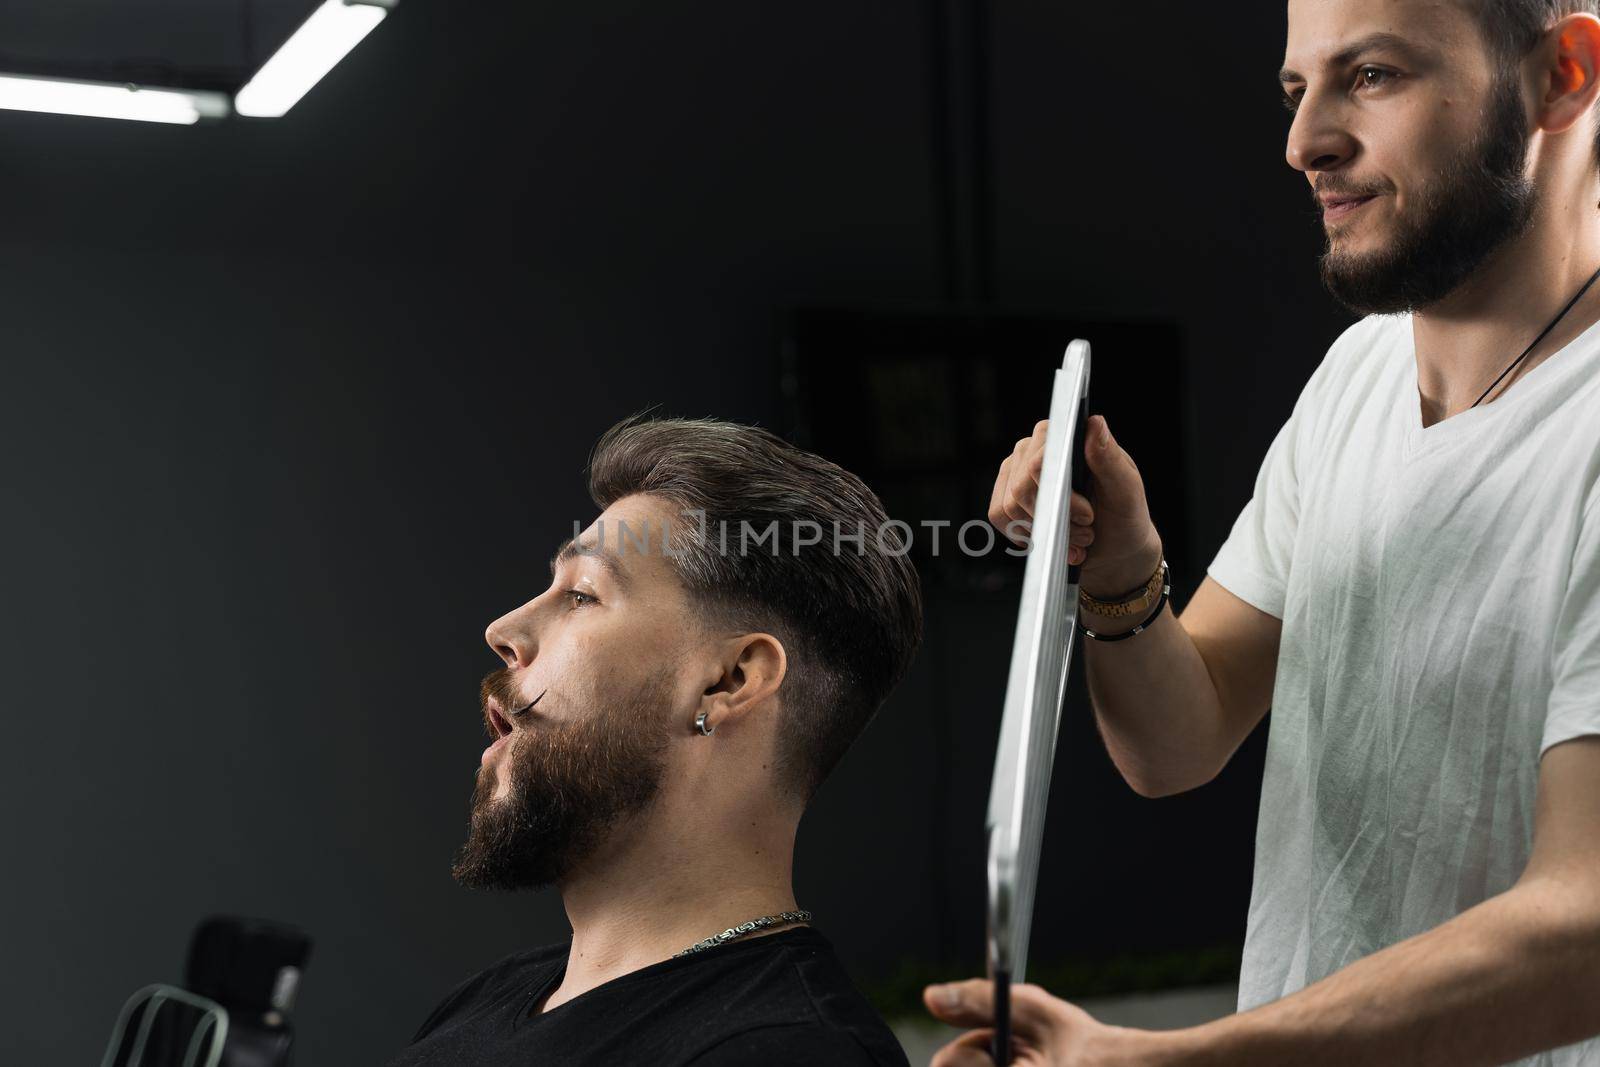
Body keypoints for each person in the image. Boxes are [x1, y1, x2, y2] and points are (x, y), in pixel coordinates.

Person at [926, 1, 1600, 1064]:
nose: (1303, 143)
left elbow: (1585, 928)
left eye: (1371, 76)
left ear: (1562, 74)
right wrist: (1124, 572)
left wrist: (1173, 1060)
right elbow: (1176, 739)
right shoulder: (1358, 373)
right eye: (1297, 90)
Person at [385, 414, 921, 1066]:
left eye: (582, 594)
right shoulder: (483, 1003)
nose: (505, 627)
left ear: (729, 680)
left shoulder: (790, 1051)